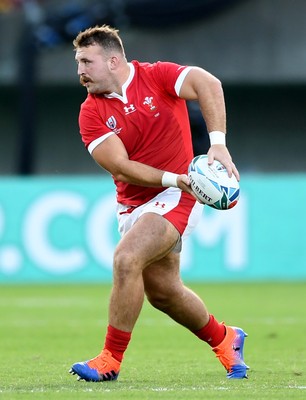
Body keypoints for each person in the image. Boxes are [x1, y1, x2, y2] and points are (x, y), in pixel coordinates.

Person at [69, 24, 249, 382]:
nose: (80, 71)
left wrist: (217, 143)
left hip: (180, 194)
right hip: (139, 201)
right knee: (165, 293)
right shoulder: (90, 113)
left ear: (114, 61)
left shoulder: (156, 76)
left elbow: (208, 84)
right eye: (78, 63)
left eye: (87, 61)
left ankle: (110, 360)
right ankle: (225, 338)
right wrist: (172, 177)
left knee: (126, 258)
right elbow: (121, 167)